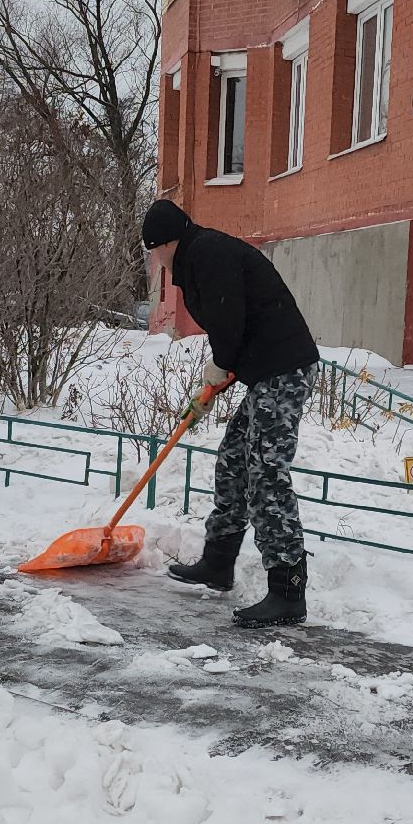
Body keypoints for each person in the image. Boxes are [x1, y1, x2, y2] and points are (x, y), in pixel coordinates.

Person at [143, 199, 321, 628]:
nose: (155, 260)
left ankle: (287, 590)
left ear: (166, 243)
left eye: (154, 251)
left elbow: (228, 319)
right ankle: (218, 562)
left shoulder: (208, 254)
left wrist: (219, 367)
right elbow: (231, 326)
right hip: (263, 372)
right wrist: (218, 376)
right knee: (233, 461)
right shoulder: (198, 257)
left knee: (264, 471)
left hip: (284, 369)